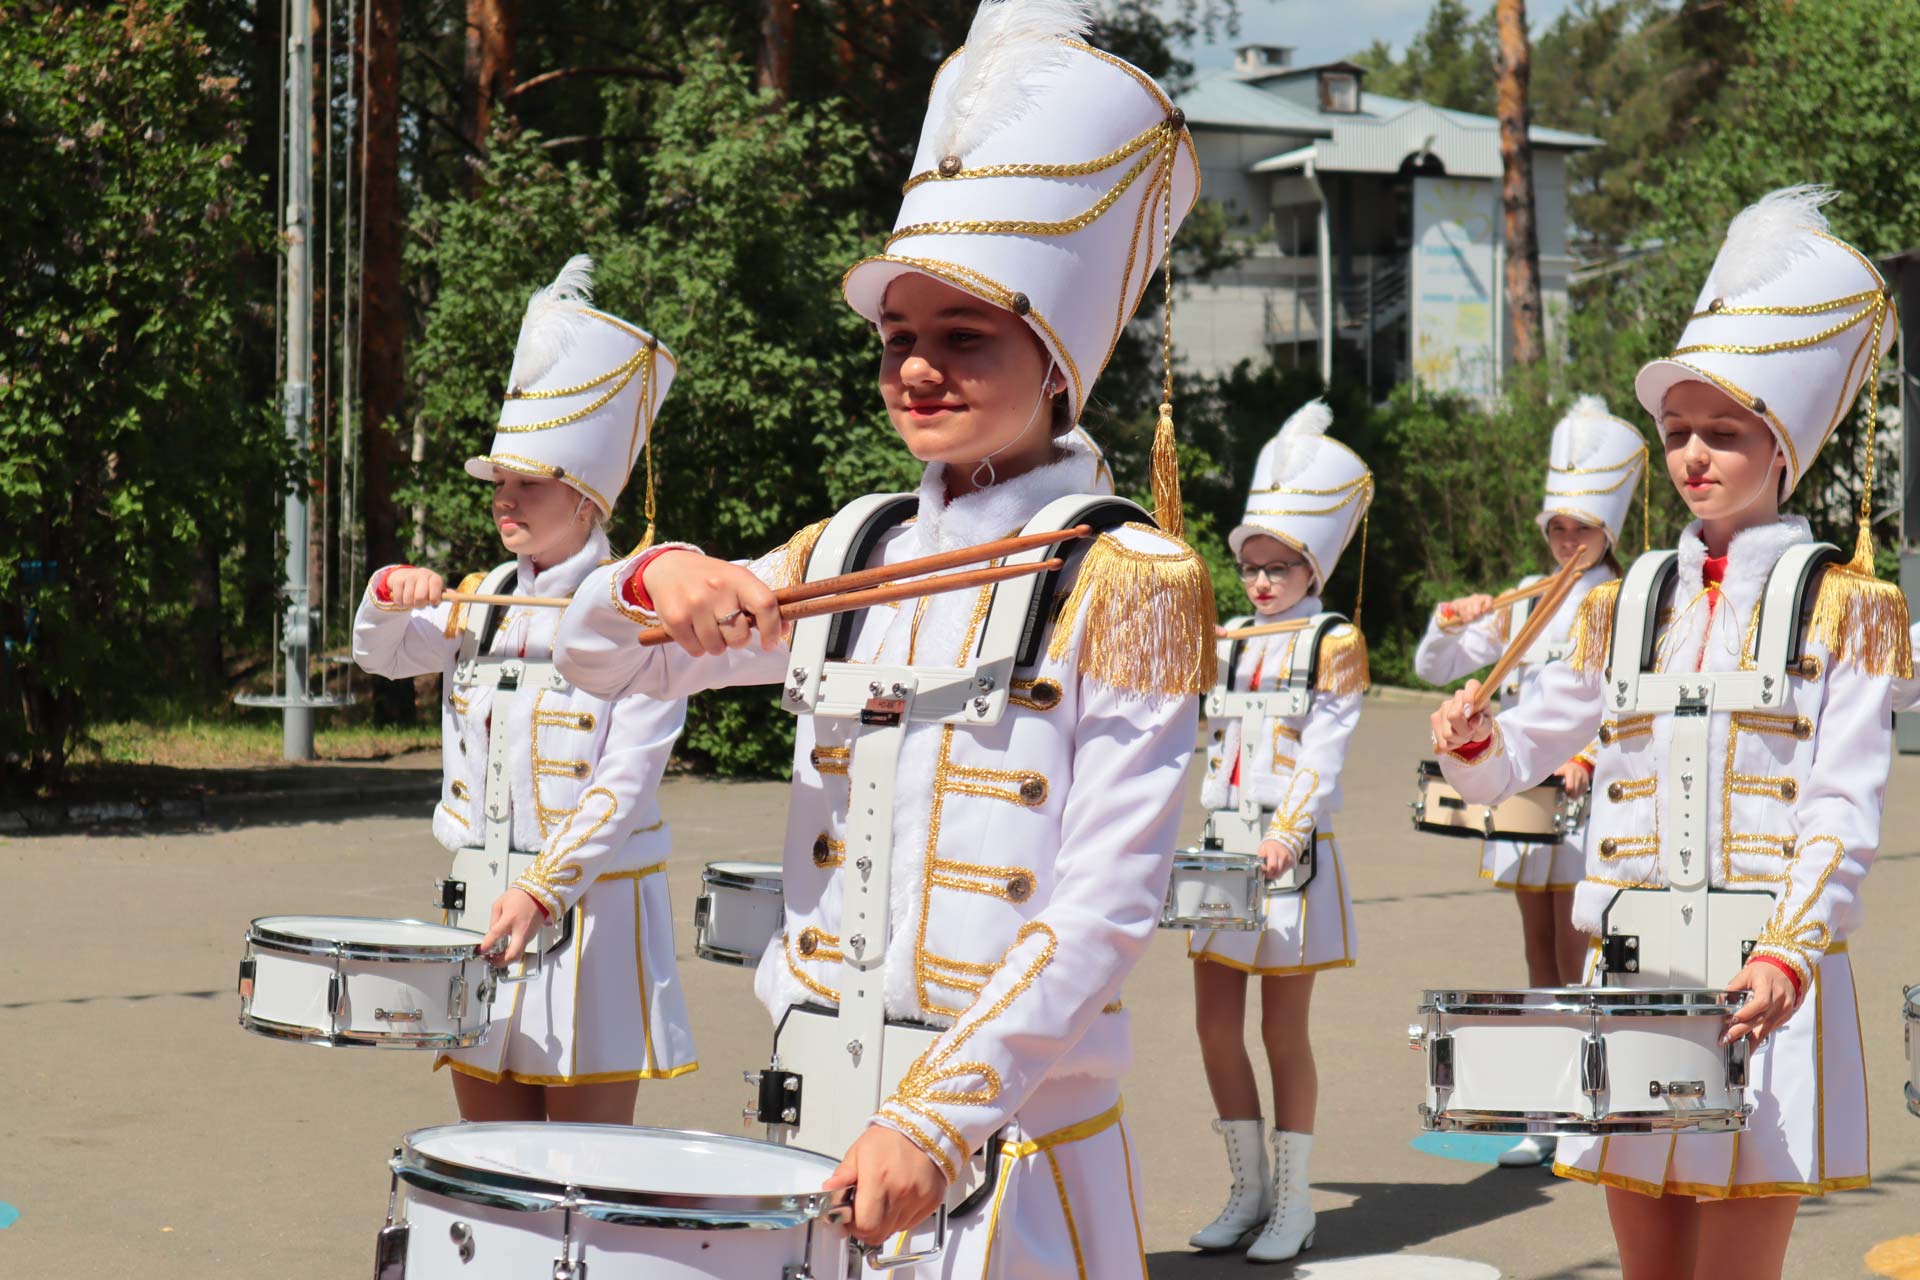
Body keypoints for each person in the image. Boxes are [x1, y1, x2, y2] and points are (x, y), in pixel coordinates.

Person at [555, 4, 1215, 1273]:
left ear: (1058, 355)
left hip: (1004, 1138)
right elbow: (606, 659)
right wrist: (657, 575)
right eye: (898, 340)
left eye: (963, 339)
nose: (917, 371)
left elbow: (1107, 898)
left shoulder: (1134, 576)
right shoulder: (852, 546)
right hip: (813, 1105)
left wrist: (941, 1111)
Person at [1428, 187, 1908, 1280]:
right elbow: (1525, 751)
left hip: (1762, 978)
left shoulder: (1841, 600)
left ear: (1780, 443)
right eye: (1678, 431)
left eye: (1724, 432)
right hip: (1633, 968)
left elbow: (1844, 799)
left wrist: (1795, 945)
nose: (1694, 455)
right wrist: (1475, 737)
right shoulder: (1629, 592)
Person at [352, 256, 695, 1123]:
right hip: (479, 900)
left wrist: (544, 890)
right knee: (486, 1160)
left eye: (527, 486)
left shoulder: (640, 613)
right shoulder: (480, 602)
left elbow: (624, 787)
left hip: (590, 917)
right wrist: (389, 589)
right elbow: (380, 656)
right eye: (500, 486)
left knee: (581, 1178)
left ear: (585, 501)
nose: (506, 503)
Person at [1412, 397, 1644, 1168]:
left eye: (1582, 528)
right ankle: (1547, 1110)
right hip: (1523, 791)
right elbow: (1433, 670)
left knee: (1581, 955)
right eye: (1558, 528)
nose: (1568, 541)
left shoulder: (1625, 599)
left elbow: (1621, 704)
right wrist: (1454, 621)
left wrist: (1589, 753)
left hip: (1589, 799)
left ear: (1608, 528)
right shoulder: (1525, 594)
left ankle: (1587, 1106)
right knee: (1538, 956)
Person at [1183, 398, 1370, 1261]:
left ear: (1314, 564)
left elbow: (1322, 755)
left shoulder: (1334, 641)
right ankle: (1246, 1190)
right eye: (1252, 564)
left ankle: (1296, 1202)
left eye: (1280, 566)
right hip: (1218, 856)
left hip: (1287, 862)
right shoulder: (1218, 640)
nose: (1260, 581)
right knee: (1214, 1029)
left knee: (1280, 1032)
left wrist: (1286, 838)